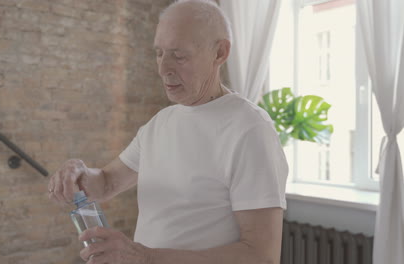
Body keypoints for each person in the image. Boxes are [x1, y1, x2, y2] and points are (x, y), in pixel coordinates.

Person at [48, 0, 288, 263]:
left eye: (179, 55)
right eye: (159, 53)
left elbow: (261, 256)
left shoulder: (250, 130)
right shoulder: (161, 123)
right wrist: (79, 174)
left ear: (220, 52)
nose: (163, 69)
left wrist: (145, 257)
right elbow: (107, 182)